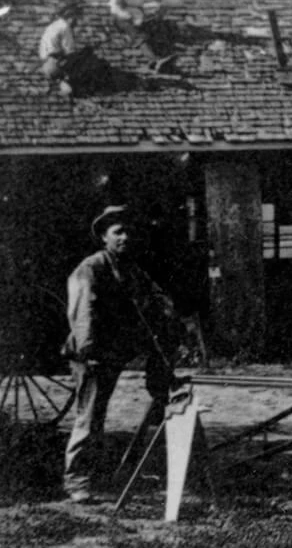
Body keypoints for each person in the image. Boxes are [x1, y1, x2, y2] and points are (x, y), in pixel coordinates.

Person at [62, 205, 178, 503]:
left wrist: (165, 312)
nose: (125, 237)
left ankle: (107, 473)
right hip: (92, 354)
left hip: (115, 350)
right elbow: (82, 312)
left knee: (101, 413)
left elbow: (156, 297)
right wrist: (89, 351)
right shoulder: (91, 267)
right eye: (118, 232)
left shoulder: (130, 268)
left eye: (129, 231)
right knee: (90, 417)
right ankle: (78, 481)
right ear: (104, 237)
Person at [109, 0, 178, 73]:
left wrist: (154, 6)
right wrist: (128, 16)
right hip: (122, 17)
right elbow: (115, 5)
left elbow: (139, 5)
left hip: (137, 15)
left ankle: (165, 57)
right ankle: (153, 60)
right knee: (139, 35)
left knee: (158, 26)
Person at [39, 0, 96, 97]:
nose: (76, 22)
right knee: (87, 57)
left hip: (45, 66)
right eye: (76, 18)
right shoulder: (65, 27)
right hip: (55, 64)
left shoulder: (53, 25)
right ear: (71, 16)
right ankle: (75, 85)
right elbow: (70, 52)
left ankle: (58, 84)